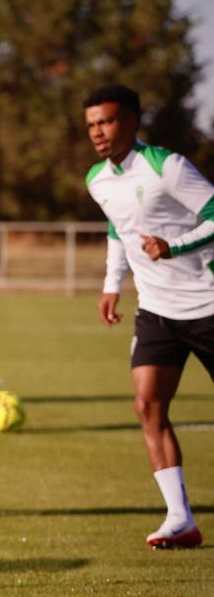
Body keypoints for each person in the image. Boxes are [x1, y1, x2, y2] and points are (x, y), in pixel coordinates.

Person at [84, 83, 214, 549]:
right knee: (147, 406)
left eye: (107, 121)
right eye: (92, 125)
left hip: (208, 304)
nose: (98, 132)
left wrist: (174, 246)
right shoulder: (97, 179)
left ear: (132, 121)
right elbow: (118, 229)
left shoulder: (166, 165)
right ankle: (180, 519)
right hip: (157, 310)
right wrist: (111, 284)